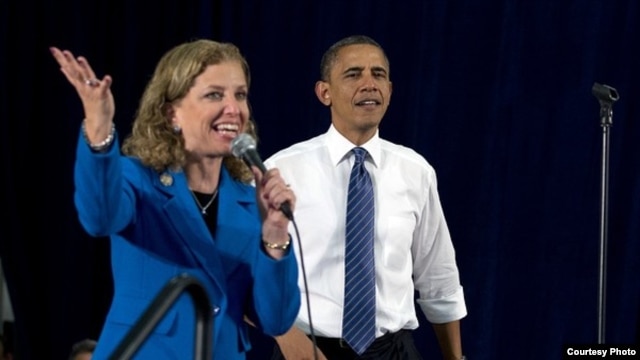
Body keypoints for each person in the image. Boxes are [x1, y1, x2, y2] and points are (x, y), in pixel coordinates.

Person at [49, 39, 300, 359]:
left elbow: (276, 320)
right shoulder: (138, 180)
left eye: (240, 94)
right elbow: (99, 218)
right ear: (172, 114)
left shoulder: (253, 203)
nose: (234, 109)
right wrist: (99, 130)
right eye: (214, 94)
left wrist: (275, 236)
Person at [264, 35, 467, 360]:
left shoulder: (416, 171)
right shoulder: (281, 170)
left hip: (394, 351)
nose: (369, 84)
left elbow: (438, 277)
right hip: (306, 350)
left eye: (379, 75)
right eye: (353, 74)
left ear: (390, 90)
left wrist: (456, 358)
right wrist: (288, 340)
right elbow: (250, 271)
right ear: (324, 92)